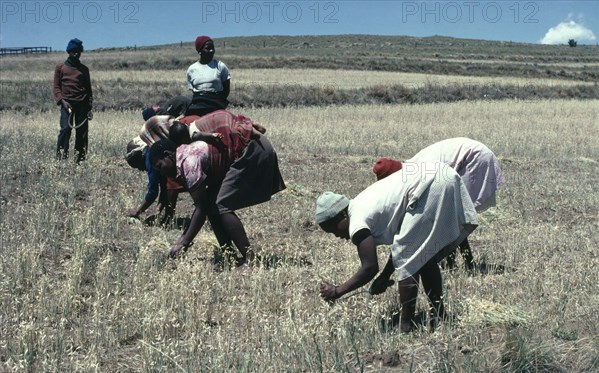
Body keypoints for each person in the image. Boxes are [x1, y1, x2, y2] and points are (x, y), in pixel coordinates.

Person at [316, 161, 478, 333]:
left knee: (408, 259)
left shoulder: (356, 221)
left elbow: (369, 268)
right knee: (422, 255)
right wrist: (385, 276)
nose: (337, 236)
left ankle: (406, 327)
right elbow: (401, 245)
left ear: (342, 214)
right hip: (440, 175)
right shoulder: (361, 203)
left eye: (334, 229)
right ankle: (439, 315)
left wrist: (337, 291)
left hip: (431, 184)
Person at [150, 125, 285, 264]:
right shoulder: (182, 157)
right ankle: (230, 256)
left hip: (252, 149)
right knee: (212, 203)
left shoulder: (188, 162)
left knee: (221, 204)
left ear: (168, 155)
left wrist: (183, 243)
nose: (162, 172)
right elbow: (204, 206)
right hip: (251, 148)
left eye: (160, 166)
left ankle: (251, 259)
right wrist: (182, 240)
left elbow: (200, 210)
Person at [373, 137, 505, 270]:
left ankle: (458, 262)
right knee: (453, 216)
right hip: (470, 156)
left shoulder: (419, 171)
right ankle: (463, 261)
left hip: (475, 159)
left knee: (455, 216)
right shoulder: (411, 167)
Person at [53, 38, 93, 162]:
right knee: (65, 129)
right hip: (67, 104)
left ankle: (79, 160)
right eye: (74, 51)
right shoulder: (61, 67)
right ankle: (61, 159)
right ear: (69, 52)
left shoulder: (84, 69)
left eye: (79, 51)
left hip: (82, 104)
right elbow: (56, 87)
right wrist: (62, 101)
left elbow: (88, 90)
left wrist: (89, 107)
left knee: (82, 132)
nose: (76, 54)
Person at [185, 36, 231, 117]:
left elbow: (226, 90)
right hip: (198, 104)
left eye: (212, 48)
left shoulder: (220, 66)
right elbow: (193, 91)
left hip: (216, 104)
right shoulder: (192, 69)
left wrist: (218, 101)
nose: (211, 50)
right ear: (200, 51)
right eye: (208, 48)